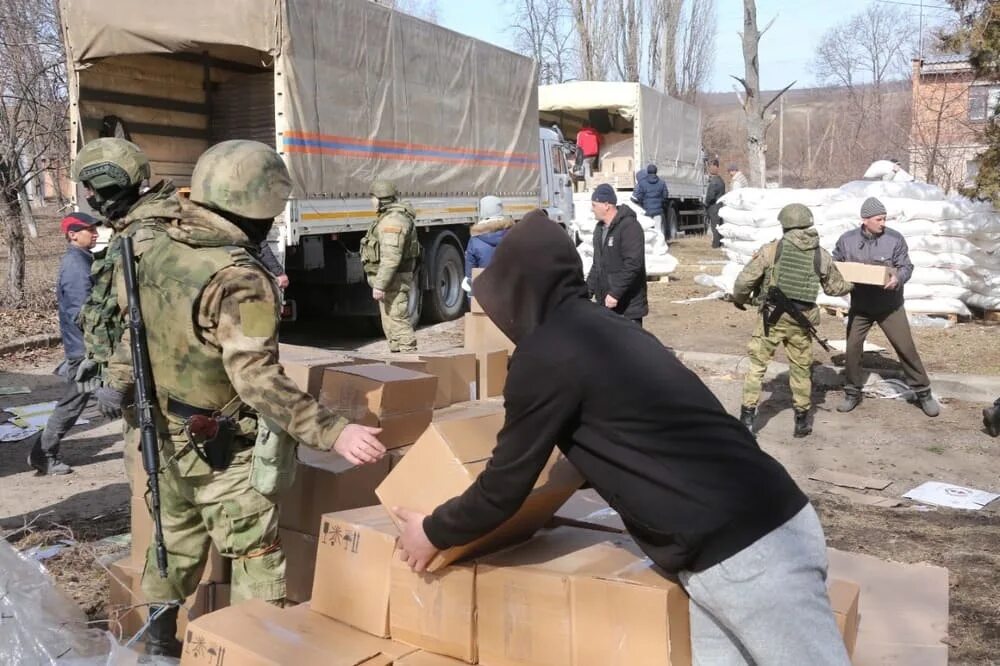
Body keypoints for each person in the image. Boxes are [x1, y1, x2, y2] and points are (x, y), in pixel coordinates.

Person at [390, 212, 851, 665]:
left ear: (519, 289)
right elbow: (627, 434)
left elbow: (504, 486)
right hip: (749, 536)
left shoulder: (545, 354)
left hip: (751, 553)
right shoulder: (609, 331)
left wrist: (432, 532)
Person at [104, 140, 387, 657]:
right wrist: (333, 430)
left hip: (160, 435)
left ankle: (157, 648)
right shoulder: (238, 277)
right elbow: (255, 377)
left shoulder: (151, 244)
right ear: (260, 207)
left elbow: (131, 333)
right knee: (256, 555)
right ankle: (254, 650)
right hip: (220, 448)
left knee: (173, 546)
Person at [69, 137, 182, 407]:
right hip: (143, 379)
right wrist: (97, 360)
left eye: (88, 187)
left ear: (105, 183)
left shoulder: (145, 236)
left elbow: (148, 319)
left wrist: (118, 382)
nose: (87, 195)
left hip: (156, 385)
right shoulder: (129, 230)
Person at [732, 204, 853, 438]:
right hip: (801, 322)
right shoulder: (821, 255)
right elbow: (835, 288)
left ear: (784, 224)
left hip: (771, 319)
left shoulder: (771, 250)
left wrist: (740, 300)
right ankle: (801, 422)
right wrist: (853, 284)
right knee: (800, 369)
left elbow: (743, 282)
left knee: (757, 368)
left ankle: (747, 420)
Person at [832, 197, 939, 417]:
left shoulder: (894, 239)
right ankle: (852, 392)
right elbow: (836, 264)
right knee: (852, 348)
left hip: (889, 305)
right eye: (879, 219)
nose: (883, 223)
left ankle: (923, 392)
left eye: (884, 218)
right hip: (860, 305)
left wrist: (898, 278)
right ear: (865, 220)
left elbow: (906, 266)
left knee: (905, 348)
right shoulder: (847, 240)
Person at [25, 213, 101, 475]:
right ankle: (43, 453)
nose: (95, 233)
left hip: (87, 346)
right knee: (73, 401)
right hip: (85, 348)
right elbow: (80, 312)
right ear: (72, 234)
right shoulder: (76, 264)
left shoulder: (83, 259)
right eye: (89, 229)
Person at [361, 180, 420, 352]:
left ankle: (410, 361)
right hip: (392, 281)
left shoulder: (393, 221)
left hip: (394, 280)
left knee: (398, 321)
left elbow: (391, 258)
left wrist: (380, 285)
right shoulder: (389, 218)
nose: (371, 202)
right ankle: (398, 361)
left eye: (372, 198)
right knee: (391, 323)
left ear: (381, 199)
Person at [586, 183, 648, 326]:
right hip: (606, 305)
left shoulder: (629, 227)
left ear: (606, 205)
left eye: (594, 205)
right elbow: (597, 265)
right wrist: (586, 292)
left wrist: (615, 293)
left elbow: (633, 264)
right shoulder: (599, 229)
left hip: (628, 307)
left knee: (630, 347)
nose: (592, 209)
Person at [465, 196, 513, 283]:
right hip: (509, 288)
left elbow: (470, 274)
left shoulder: (475, 240)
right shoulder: (514, 235)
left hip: (485, 289)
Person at [630, 163, 670, 239]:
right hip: (658, 211)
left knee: (647, 230)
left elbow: (637, 197)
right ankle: (658, 246)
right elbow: (665, 196)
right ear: (656, 171)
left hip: (646, 211)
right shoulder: (662, 183)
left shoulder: (642, 183)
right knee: (658, 230)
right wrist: (660, 203)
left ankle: (650, 247)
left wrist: (642, 203)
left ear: (647, 171)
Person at [705, 159, 726, 248]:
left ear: (715, 167)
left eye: (712, 166)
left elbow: (711, 196)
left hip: (714, 207)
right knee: (719, 225)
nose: (710, 168)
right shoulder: (721, 180)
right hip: (720, 206)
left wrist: (706, 203)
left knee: (715, 226)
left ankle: (716, 244)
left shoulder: (714, 182)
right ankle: (720, 242)